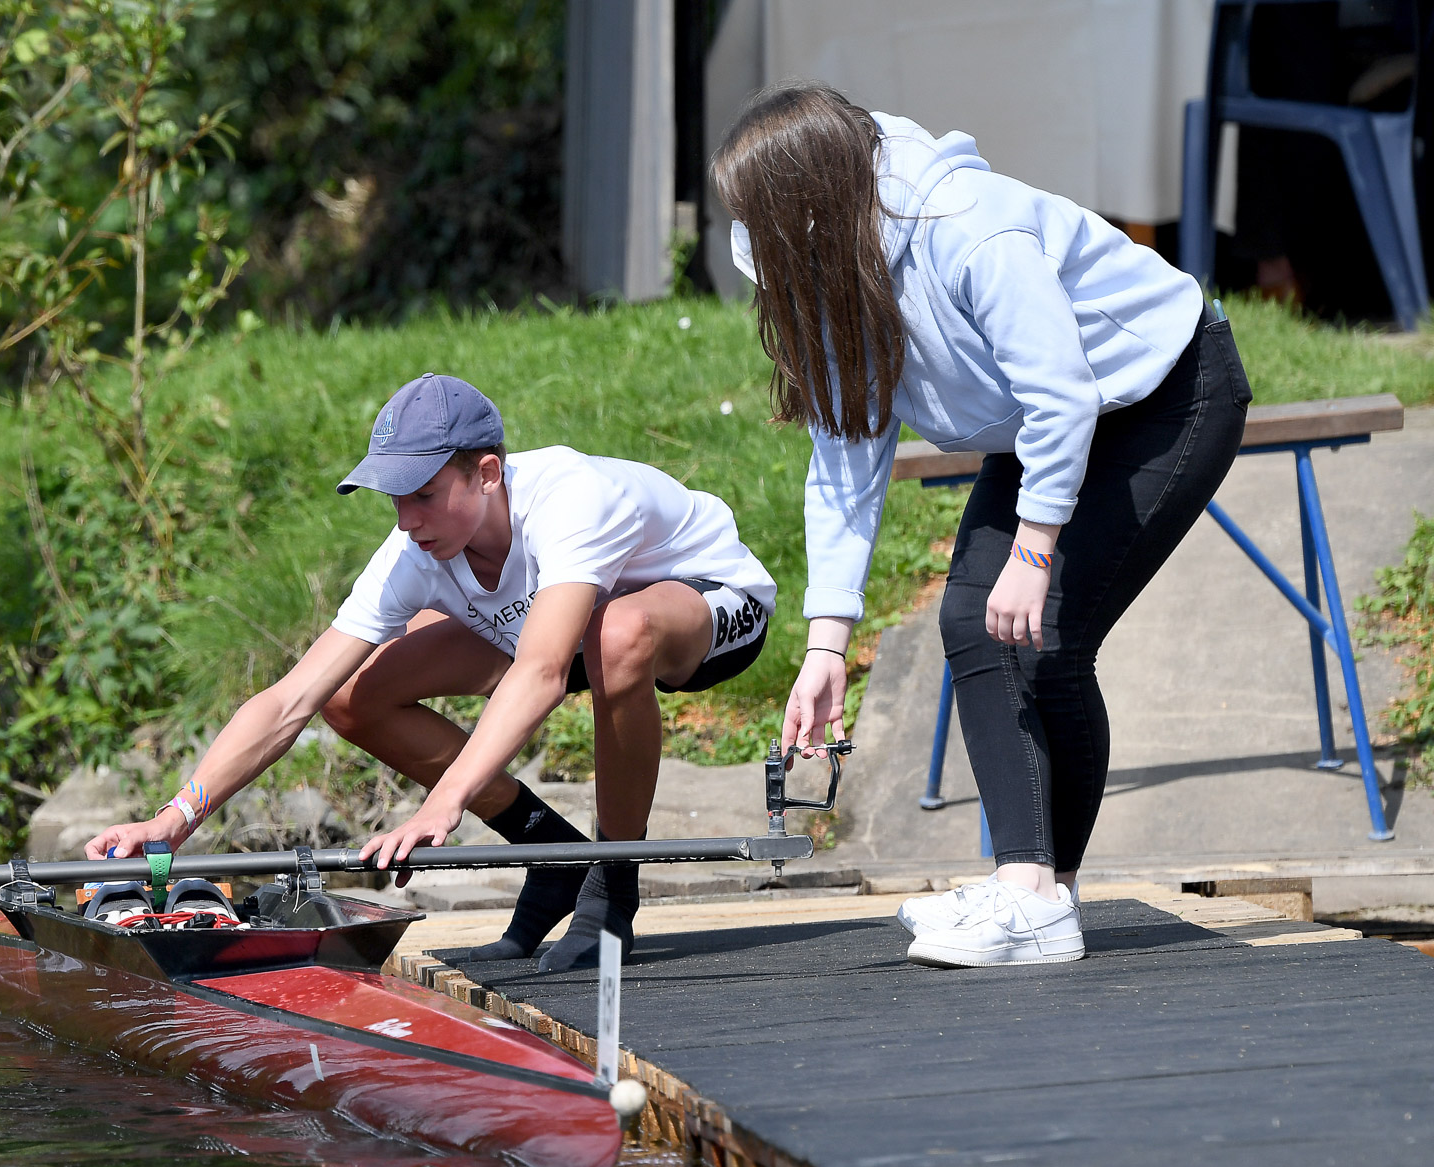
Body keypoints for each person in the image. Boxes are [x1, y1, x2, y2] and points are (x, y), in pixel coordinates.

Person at [710, 83, 1250, 967]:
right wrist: (825, 645)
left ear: (807, 205)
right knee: (972, 617)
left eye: (757, 222)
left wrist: (1035, 550)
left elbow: (1063, 393)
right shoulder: (839, 266)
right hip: (1042, 421)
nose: (751, 248)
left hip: (1164, 391)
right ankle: (1036, 892)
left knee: (1047, 632)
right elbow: (847, 457)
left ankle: (1032, 895)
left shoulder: (970, 229)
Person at [82, 373, 777, 972]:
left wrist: (444, 800)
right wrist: (174, 818)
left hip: (707, 602)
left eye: (423, 494)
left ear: (487, 473)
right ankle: (552, 850)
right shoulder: (413, 549)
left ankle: (612, 884)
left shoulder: (571, 498)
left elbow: (537, 673)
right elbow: (294, 697)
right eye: (394, 498)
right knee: (354, 695)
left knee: (617, 633)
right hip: (568, 625)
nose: (407, 519)